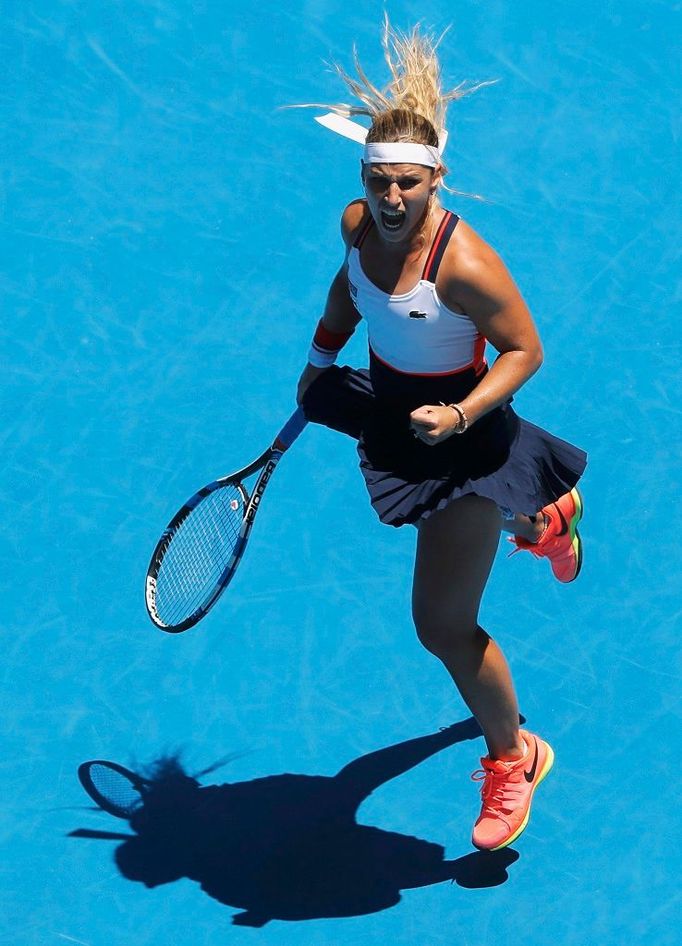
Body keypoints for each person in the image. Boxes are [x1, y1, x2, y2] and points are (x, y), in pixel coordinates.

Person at [294, 21, 587, 852]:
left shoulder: (464, 266)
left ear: (437, 181)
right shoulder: (357, 226)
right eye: (379, 182)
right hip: (395, 414)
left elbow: (526, 348)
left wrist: (461, 415)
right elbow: (348, 294)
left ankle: (515, 755)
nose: (391, 200)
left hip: (463, 440)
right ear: (364, 178)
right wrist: (320, 359)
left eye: (407, 187)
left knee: (443, 624)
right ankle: (544, 519)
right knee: (461, 582)